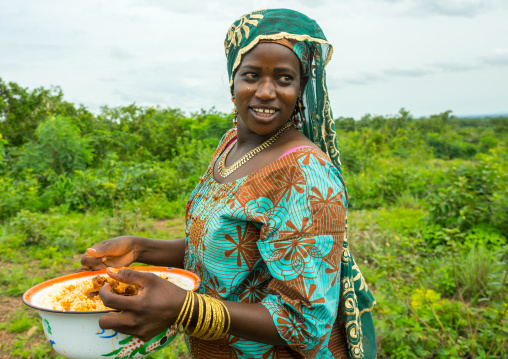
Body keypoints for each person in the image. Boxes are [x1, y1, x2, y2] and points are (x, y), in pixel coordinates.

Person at [79, 8, 376, 359]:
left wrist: (186, 309)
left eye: (284, 79)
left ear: (300, 89)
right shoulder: (232, 144)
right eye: (251, 75)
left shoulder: (304, 172)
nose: (266, 92)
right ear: (232, 80)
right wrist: (141, 250)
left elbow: (306, 321)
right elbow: (224, 251)